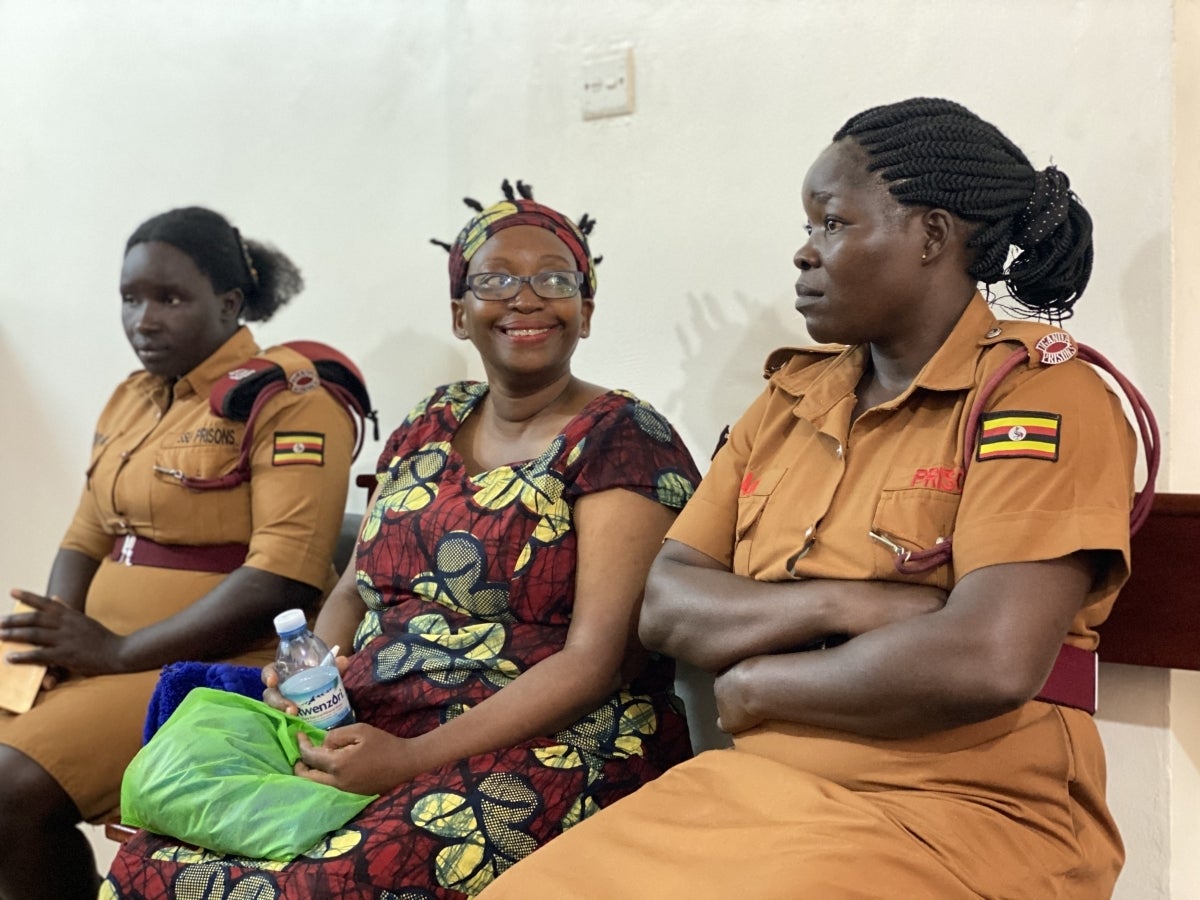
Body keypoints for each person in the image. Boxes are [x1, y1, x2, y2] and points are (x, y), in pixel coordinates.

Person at [479, 100, 1140, 899]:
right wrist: (853, 606)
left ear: (931, 236)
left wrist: (759, 686)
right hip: (755, 791)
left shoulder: (1040, 396)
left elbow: (988, 659)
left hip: (957, 811)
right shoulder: (789, 403)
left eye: (831, 223)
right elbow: (668, 603)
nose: (803, 253)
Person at [104, 181, 702, 899]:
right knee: (150, 859)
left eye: (553, 278)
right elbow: (355, 585)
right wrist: (310, 669)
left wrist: (410, 759)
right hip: (375, 714)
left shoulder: (621, 439)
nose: (525, 297)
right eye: (496, 280)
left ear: (587, 309)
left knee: (316, 884)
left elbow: (594, 663)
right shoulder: (430, 422)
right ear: (460, 313)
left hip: (550, 739)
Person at [0, 206, 357, 900]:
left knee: (10, 786)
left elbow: (281, 577)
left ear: (229, 303)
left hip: (214, 667)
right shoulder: (131, 398)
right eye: (131, 299)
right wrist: (56, 642)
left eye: (170, 298)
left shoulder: (289, 400)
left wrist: (114, 653)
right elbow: (83, 537)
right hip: (105, 657)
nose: (145, 319)